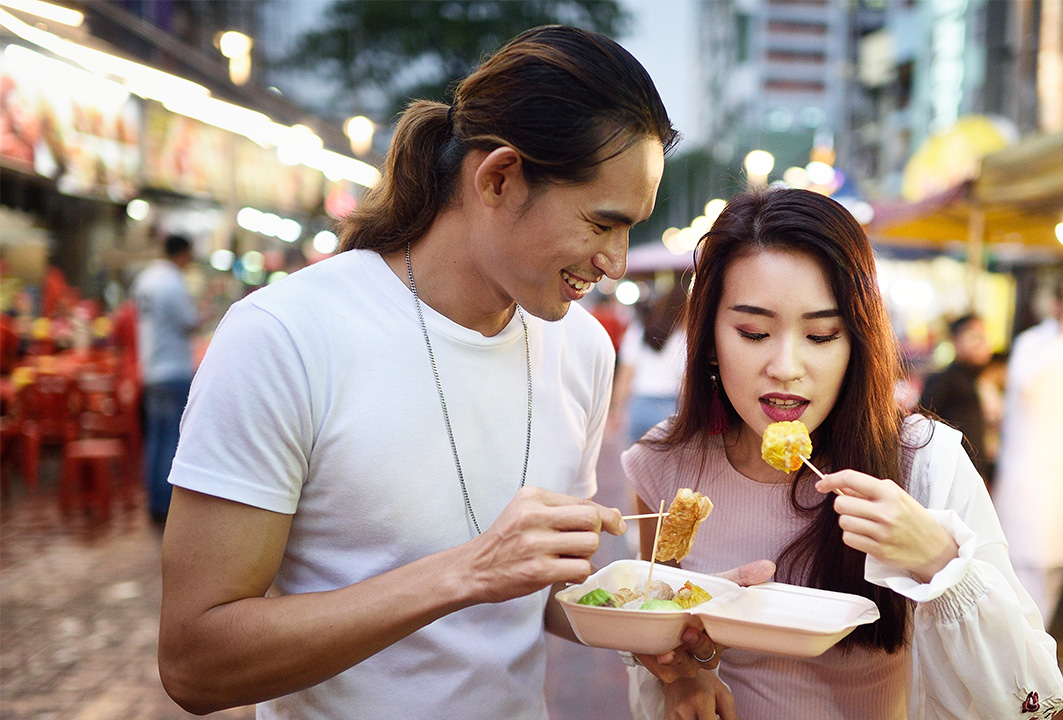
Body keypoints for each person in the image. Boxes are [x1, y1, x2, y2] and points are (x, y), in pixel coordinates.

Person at [158, 26, 678, 718]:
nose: (616, 261)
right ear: (497, 177)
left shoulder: (583, 348)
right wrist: (466, 571)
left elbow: (541, 593)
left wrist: (671, 615)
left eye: (631, 229)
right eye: (602, 223)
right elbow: (196, 662)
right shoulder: (285, 336)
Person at [622, 189, 1063, 720]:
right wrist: (684, 675)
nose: (786, 365)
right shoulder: (669, 464)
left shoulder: (921, 464)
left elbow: (1036, 700)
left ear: (856, 340)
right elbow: (655, 627)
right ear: (711, 340)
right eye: (754, 332)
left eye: (821, 334)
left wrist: (937, 559)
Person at [993, 276, 1063, 628]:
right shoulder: (1033, 344)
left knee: (1055, 569)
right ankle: (1018, 656)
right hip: (1030, 472)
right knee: (1024, 566)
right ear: (1056, 305)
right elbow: (1024, 384)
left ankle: (1037, 647)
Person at [132, 233, 201, 522]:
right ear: (182, 253)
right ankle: (166, 504)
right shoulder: (172, 281)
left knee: (156, 438)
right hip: (173, 368)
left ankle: (154, 501)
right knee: (173, 437)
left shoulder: (145, 279)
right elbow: (188, 322)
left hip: (150, 368)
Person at [917, 313, 994, 483]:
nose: (983, 343)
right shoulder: (944, 381)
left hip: (970, 478)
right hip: (948, 481)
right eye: (974, 336)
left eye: (985, 336)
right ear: (955, 340)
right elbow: (920, 427)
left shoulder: (972, 381)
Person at [610, 285, 688, 445]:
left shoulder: (638, 331)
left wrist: (616, 409)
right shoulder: (684, 337)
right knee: (667, 468)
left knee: (634, 466)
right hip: (670, 409)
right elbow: (686, 381)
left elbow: (625, 374)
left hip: (639, 407)